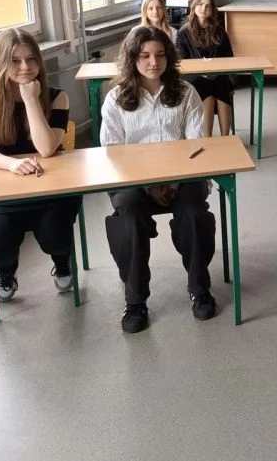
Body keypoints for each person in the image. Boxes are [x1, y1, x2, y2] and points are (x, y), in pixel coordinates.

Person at [100, 26, 217, 334]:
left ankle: (199, 289)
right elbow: (113, 153)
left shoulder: (186, 92)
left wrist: (173, 182)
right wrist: (148, 185)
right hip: (133, 182)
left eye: (160, 55)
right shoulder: (116, 99)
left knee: (193, 212)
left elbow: (196, 145)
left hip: (183, 177)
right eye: (145, 56)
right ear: (132, 58)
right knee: (129, 215)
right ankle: (135, 299)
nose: (154, 62)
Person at [0, 29, 80, 301]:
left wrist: (30, 99)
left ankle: (62, 259)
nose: (25, 67)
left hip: (52, 188)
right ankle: (6, 270)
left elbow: (46, 148)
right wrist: (10, 165)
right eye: (15, 61)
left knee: (55, 235)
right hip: (2, 191)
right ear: (0, 63)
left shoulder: (57, 96)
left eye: (31, 59)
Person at [175, 0, 234, 137]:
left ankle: (225, 137)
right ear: (194, 7)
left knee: (222, 88)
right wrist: (201, 72)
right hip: (195, 76)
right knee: (207, 95)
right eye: (200, 5)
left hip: (218, 75)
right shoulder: (184, 32)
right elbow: (181, 60)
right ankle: (207, 138)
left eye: (208, 6)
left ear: (212, 10)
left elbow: (229, 57)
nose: (203, 9)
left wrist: (216, 71)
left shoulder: (219, 31)